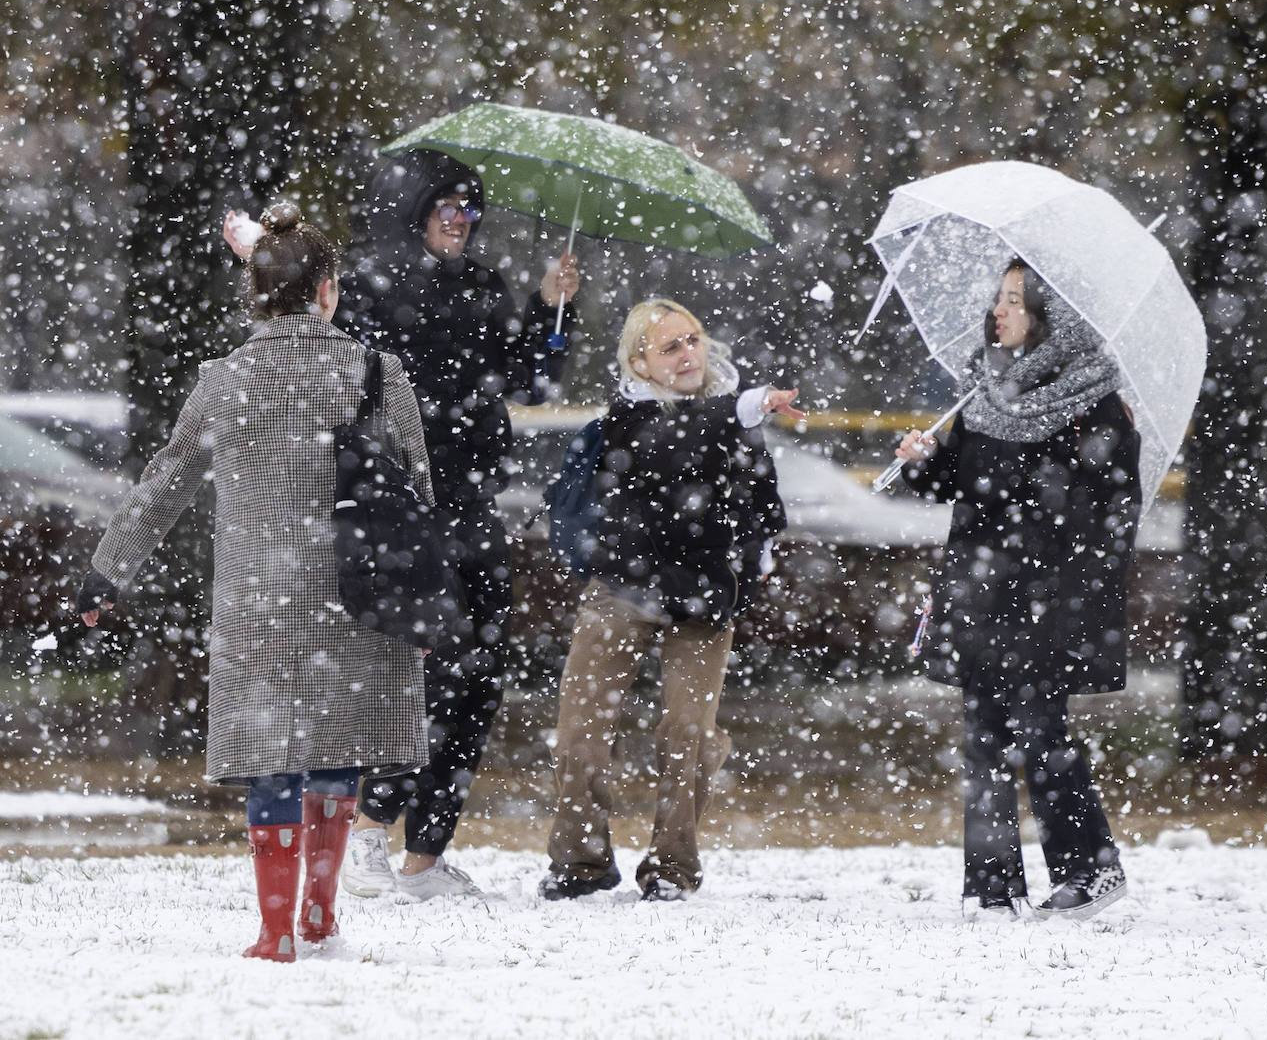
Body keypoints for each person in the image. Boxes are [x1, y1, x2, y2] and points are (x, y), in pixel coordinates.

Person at [79, 203, 432, 961]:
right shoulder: (380, 371)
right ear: (329, 289)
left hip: (260, 601)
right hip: (360, 594)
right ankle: (320, 915)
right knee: (340, 751)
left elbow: (164, 484)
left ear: (255, 294)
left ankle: (274, 931)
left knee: (271, 757)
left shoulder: (224, 380)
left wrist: (106, 570)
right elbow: (419, 493)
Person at [230, 149, 581, 899]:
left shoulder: (486, 288)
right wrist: (262, 255)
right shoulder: (361, 289)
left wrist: (556, 309)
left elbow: (530, 378)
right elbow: (317, 353)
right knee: (407, 674)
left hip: (473, 504)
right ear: (412, 208)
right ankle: (366, 826)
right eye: (447, 206)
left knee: (480, 673)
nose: (462, 220)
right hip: (396, 504)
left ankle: (426, 851)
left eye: (471, 208)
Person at [895, 258, 1141, 919]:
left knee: (1040, 730)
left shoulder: (1094, 401)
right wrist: (926, 462)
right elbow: (961, 481)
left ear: (1049, 316)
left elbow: (1117, 508)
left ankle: (1092, 868)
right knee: (983, 735)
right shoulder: (983, 391)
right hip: (980, 589)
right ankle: (992, 885)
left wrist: (1073, 574)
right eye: (998, 297)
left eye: (1014, 299)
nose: (997, 311)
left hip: (1048, 595)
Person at [538, 298, 800, 902]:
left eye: (694, 339)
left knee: (688, 733)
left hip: (705, 597)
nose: (688, 355)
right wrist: (743, 408)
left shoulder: (736, 421)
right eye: (670, 347)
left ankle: (672, 867)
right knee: (580, 732)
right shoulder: (627, 417)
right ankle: (580, 862)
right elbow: (665, 440)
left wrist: (755, 556)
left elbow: (764, 502)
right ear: (639, 363)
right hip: (620, 588)